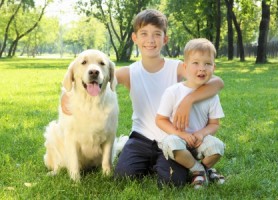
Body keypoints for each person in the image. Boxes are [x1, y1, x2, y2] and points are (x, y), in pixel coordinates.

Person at [61, 9, 224, 187]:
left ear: (165, 39)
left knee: (172, 182)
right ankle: (152, 163)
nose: (150, 40)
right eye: (144, 34)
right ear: (135, 38)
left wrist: (188, 100)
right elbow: (91, 76)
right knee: (123, 177)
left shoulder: (176, 67)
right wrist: (65, 94)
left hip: (170, 139)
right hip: (140, 138)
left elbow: (217, 83)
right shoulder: (129, 72)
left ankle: (197, 167)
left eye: (157, 34)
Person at [155, 38, 225, 189]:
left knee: (218, 146)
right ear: (185, 67)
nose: (202, 68)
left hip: (199, 142)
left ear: (214, 67)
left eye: (208, 64)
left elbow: (214, 124)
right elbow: (160, 119)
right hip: (179, 142)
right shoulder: (173, 91)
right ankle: (199, 170)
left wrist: (201, 134)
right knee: (170, 143)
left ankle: (203, 170)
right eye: (196, 63)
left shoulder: (212, 96)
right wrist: (180, 134)